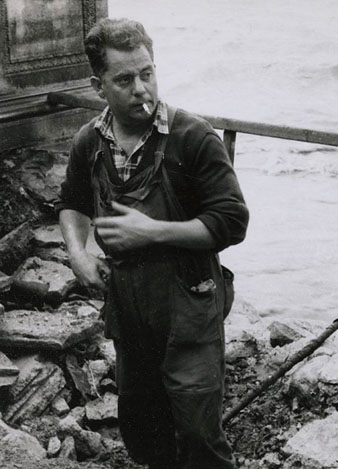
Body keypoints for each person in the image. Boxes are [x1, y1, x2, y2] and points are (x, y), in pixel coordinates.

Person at [56, 17, 249, 469]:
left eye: (148, 73)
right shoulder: (89, 141)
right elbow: (72, 202)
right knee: (143, 430)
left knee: (200, 434)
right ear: (97, 84)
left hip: (191, 301)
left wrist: (152, 230)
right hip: (128, 307)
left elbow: (231, 222)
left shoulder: (192, 137)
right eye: (124, 79)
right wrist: (77, 253)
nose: (141, 89)